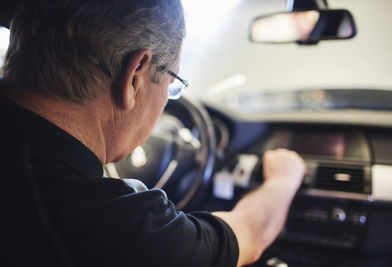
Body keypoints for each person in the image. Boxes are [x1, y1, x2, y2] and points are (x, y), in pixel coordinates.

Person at [0, 0, 305, 266]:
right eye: (173, 83)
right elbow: (249, 234)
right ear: (135, 76)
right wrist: (282, 179)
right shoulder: (110, 224)